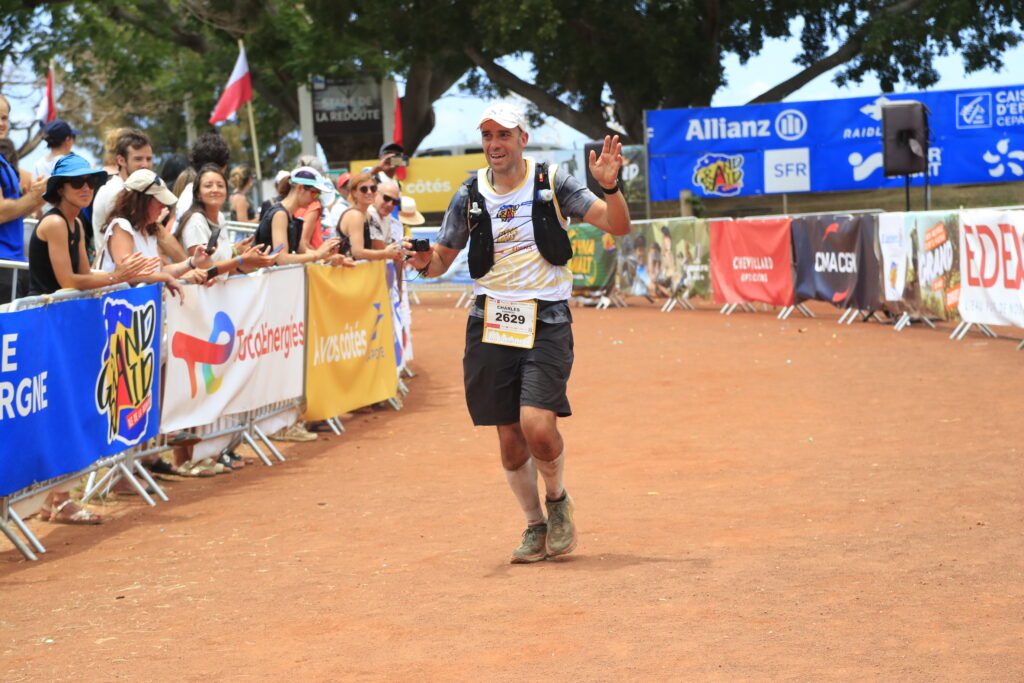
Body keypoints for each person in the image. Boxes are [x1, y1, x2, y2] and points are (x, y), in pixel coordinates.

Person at [405, 102, 630, 564]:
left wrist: (611, 187)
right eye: (487, 136)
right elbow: (443, 261)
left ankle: (558, 498)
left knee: (537, 426)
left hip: (546, 319)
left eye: (503, 135)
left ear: (522, 139)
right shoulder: (469, 193)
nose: (494, 144)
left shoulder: (551, 182)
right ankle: (534, 525)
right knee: (509, 438)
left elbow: (617, 225)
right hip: (490, 321)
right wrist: (424, 263)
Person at [97, 167, 208, 295]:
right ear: (141, 201)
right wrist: (166, 278)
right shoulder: (121, 226)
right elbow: (128, 275)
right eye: (159, 201)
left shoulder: (148, 231)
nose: (164, 206)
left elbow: (159, 271)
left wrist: (192, 262)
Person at [175, 164, 277, 281]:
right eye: (208, 186)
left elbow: (222, 267)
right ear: (198, 193)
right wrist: (241, 260)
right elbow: (204, 269)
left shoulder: (220, 217)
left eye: (220, 185)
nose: (215, 190)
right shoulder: (196, 221)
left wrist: (241, 254)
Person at [0, 94, 45, 303]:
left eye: (5, 118)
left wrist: (38, 198)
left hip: (12, 265)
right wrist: (34, 198)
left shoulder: (3, 162)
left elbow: (15, 210)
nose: (2, 124)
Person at [253, 166, 341, 265]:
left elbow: (303, 252)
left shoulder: (291, 216)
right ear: (300, 188)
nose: (315, 199)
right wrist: (318, 254)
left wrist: (326, 257)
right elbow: (282, 259)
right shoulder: (280, 214)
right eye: (314, 194)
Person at [92, 129, 155, 249]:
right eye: (138, 159)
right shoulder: (115, 192)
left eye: (149, 159)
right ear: (121, 160)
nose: (145, 165)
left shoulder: (135, 191)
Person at [337, 171, 402, 262]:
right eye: (364, 189)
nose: (369, 192)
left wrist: (399, 248)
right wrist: (386, 253)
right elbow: (358, 253)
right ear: (354, 192)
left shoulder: (367, 215)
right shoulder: (355, 215)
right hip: (350, 272)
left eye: (373, 188)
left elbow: (378, 247)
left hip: (363, 271)